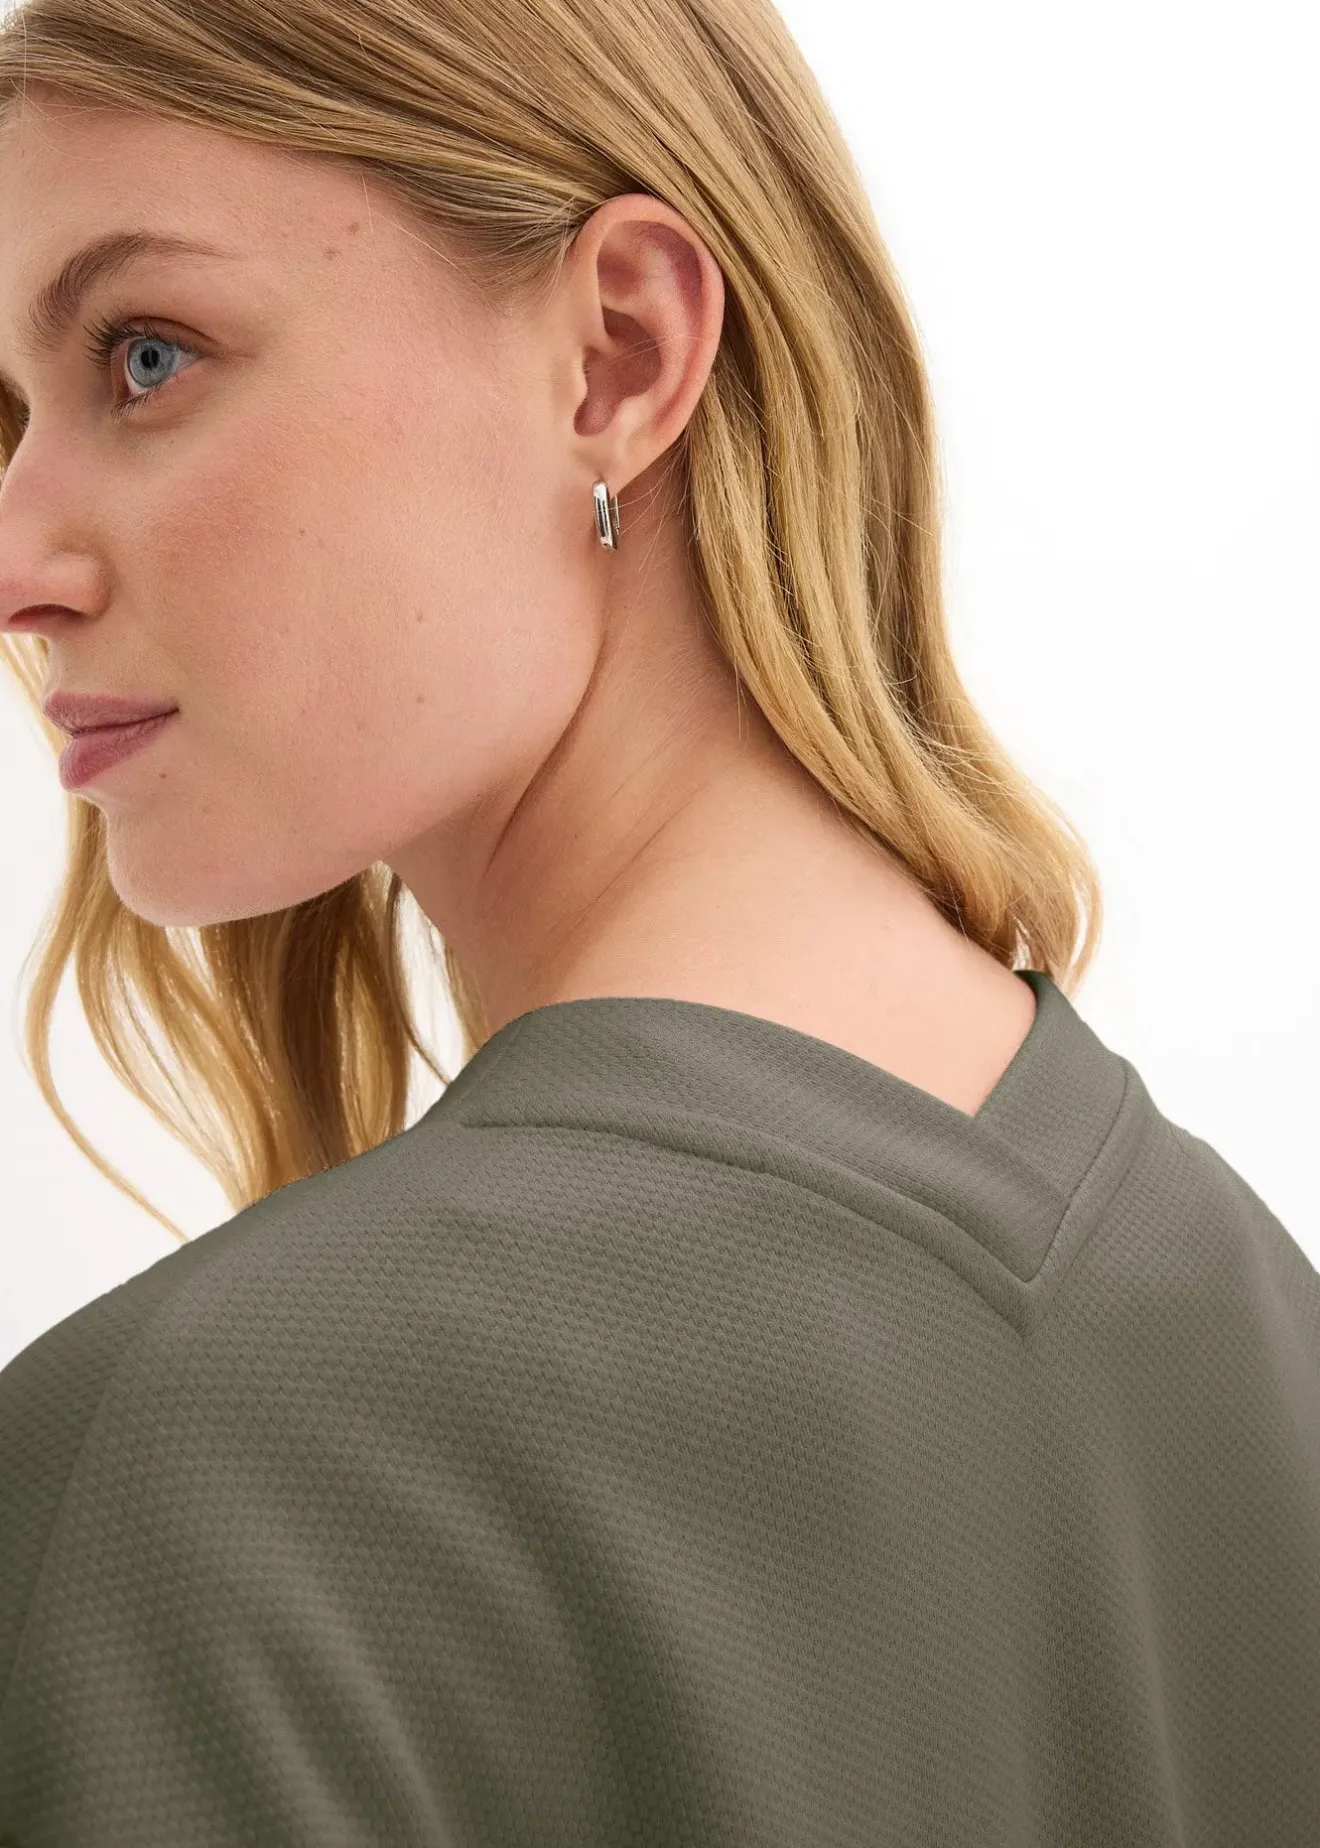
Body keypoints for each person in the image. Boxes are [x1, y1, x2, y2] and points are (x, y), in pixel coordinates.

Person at [0, 2, 1315, 1843]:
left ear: (619, 353)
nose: (18, 562)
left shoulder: (198, 1472)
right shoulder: (1254, 1323)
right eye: (8, 419)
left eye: (147, 359)